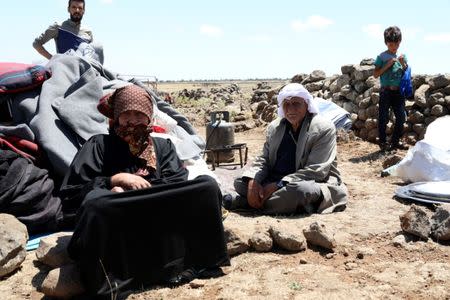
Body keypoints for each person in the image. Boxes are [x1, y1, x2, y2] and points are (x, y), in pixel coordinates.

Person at [59, 85, 229, 297]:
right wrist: (114, 180)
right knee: (97, 203)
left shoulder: (163, 146)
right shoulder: (99, 145)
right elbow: (73, 193)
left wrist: (141, 192)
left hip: (158, 212)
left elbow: (174, 185)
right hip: (119, 213)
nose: (132, 120)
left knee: (207, 186)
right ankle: (110, 282)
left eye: (139, 114)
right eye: (126, 114)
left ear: (148, 117)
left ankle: (203, 262)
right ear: (116, 117)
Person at [226, 83, 347, 214]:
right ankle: (280, 204)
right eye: (286, 104)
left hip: (307, 182)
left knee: (300, 191)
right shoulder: (275, 127)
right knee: (241, 181)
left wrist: (277, 185)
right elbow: (264, 159)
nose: (291, 109)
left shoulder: (323, 128)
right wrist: (253, 181)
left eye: (296, 104)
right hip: (275, 180)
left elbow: (316, 171)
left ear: (307, 105)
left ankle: (247, 204)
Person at [374, 26, 409, 151]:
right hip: (386, 91)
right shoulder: (382, 56)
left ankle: (395, 141)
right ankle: (382, 143)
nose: (393, 46)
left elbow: (405, 71)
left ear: (400, 42)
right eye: (390, 44)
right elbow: (376, 74)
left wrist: (403, 63)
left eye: (396, 43)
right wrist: (387, 65)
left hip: (398, 91)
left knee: (401, 117)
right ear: (386, 42)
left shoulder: (402, 56)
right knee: (383, 117)